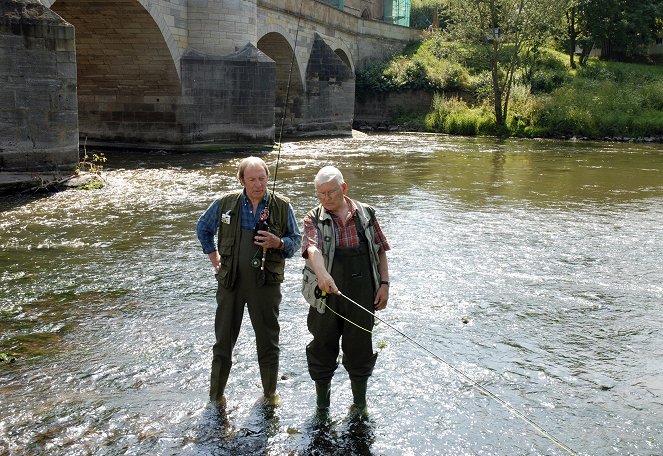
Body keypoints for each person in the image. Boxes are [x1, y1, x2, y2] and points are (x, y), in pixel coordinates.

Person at [197, 156, 301, 407]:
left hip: (265, 285)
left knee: (268, 342)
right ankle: (216, 398)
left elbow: (296, 241)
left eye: (262, 178)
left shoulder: (282, 206)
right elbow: (203, 228)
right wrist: (214, 258)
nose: (258, 184)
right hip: (230, 283)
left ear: (268, 178)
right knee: (223, 343)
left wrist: (278, 242)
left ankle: (269, 396)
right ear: (242, 180)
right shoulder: (225, 204)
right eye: (252, 179)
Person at [302, 165, 390, 417]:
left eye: (330, 192)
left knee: (360, 350)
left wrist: (384, 285)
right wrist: (322, 274)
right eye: (320, 194)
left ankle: (359, 406)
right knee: (321, 349)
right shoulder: (312, 218)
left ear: (343, 188)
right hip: (325, 297)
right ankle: (322, 407)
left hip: (363, 295)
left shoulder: (366, 214)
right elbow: (312, 250)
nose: (325, 198)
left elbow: (381, 250)